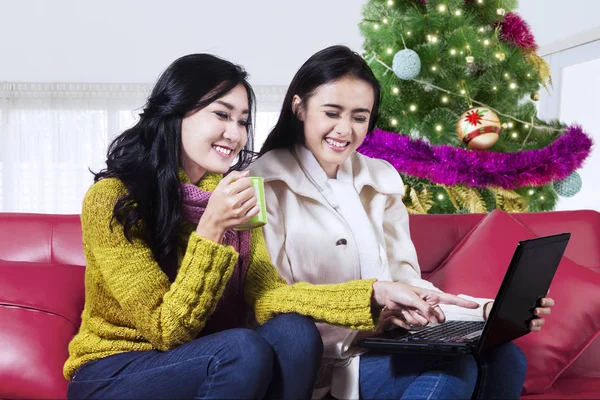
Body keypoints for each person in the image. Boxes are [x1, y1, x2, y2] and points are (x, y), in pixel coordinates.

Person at [64, 53, 476, 400]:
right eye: (221, 116)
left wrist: (375, 293)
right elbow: (167, 330)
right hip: (115, 369)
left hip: (214, 358)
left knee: (293, 331)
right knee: (242, 347)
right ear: (175, 112)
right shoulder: (114, 199)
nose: (235, 134)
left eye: (243, 121)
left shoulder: (235, 193)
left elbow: (269, 297)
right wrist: (211, 229)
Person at [252, 45, 555, 400]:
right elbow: (273, 309)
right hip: (325, 363)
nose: (345, 129)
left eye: (359, 117)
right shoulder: (262, 184)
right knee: (455, 369)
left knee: (506, 358)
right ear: (299, 107)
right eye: (332, 112)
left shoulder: (380, 180)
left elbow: (409, 284)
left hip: (389, 345)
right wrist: (366, 326)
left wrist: (489, 311)